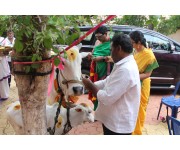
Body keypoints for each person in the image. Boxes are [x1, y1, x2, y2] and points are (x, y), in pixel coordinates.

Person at [82, 34, 141, 135]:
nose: (110, 53)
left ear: (118, 49)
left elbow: (107, 98)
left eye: (111, 49)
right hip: (113, 119)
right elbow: (108, 81)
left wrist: (90, 86)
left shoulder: (126, 69)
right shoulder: (122, 63)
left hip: (118, 126)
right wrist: (89, 83)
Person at [129, 30, 159, 135]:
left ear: (139, 43)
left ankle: (137, 132)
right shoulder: (134, 51)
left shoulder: (149, 55)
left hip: (142, 84)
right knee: (132, 107)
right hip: (132, 83)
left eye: (132, 42)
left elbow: (147, 74)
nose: (130, 44)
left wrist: (132, 76)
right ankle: (130, 129)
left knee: (140, 108)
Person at [87, 26, 113, 110]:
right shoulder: (97, 42)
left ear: (106, 34)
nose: (98, 39)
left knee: (105, 90)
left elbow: (114, 58)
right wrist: (90, 55)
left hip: (107, 70)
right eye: (96, 37)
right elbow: (93, 52)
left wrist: (101, 58)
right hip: (96, 70)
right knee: (95, 89)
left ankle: (104, 111)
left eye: (100, 36)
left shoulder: (112, 43)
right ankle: (97, 109)